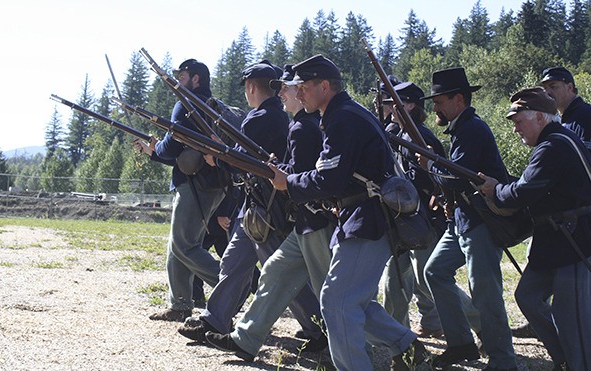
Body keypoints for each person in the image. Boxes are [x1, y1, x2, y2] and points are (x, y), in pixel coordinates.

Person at [243, 54, 429, 371]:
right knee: (351, 300)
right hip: (360, 217)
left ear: (324, 86)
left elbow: (330, 178)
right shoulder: (341, 114)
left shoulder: (342, 118)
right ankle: (408, 348)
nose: (297, 93)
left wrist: (289, 182)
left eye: (303, 87)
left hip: (366, 218)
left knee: (336, 301)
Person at [177, 60, 323, 347]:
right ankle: (214, 319)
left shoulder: (259, 119)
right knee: (236, 262)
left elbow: (244, 162)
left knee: (277, 271)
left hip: (265, 207)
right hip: (259, 204)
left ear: (251, 86)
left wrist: (218, 157)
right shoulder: (278, 118)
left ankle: (318, 327)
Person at [477, 87, 591, 371]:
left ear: (540, 118)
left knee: (572, 321)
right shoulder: (555, 141)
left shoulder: (552, 146)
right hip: (555, 241)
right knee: (526, 296)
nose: (516, 129)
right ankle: (563, 357)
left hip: (573, 241)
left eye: (519, 122)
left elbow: (524, 192)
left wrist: (495, 190)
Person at [419, 67, 517, 370]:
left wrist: (429, 165)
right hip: (462, 220)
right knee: (435, 271)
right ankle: (461, 344)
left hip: (481, 222)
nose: (434, 107)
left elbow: (456, 177)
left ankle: (503, 360)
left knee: (485, 293)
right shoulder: (462, 128)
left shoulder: (472, 128)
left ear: (458, 99)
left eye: (439, 100)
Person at [137, 59, 226, 322]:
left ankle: (233, 286)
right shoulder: (212, 106)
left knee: (184, 245)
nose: (178, 79)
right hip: (210, 183)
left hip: (194, 185)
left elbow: (172, 145)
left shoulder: (185, 105)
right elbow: (180, 148)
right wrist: (155, 152)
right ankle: (179, 304)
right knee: (179, 245)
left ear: (195, 79)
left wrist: (156, 150)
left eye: (183, 75)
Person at [379, 82, 447, 339]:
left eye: (396, 103)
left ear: (410, 105)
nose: (392, 109)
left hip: (425, 220)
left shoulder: (421, 137)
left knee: (428, 280)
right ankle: (393, 332)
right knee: (395, 278)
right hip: (406, 218)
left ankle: (477, 322)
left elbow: (434, 179)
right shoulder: (405, 135)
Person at [540, 66, 591, 146]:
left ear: (569, 87)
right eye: (545, 88)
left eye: (553, 87)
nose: (547, 92)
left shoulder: (586, 115)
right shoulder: (564, 119)